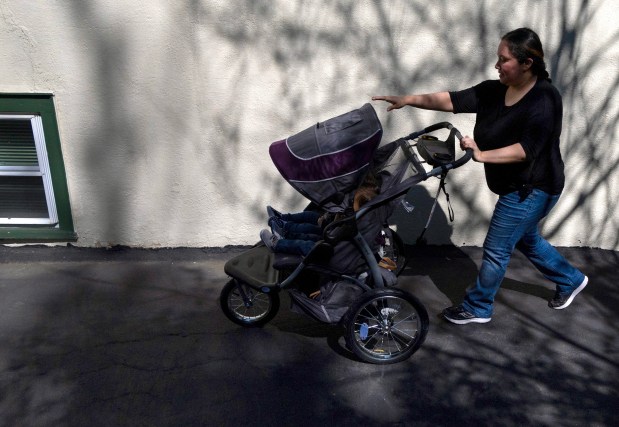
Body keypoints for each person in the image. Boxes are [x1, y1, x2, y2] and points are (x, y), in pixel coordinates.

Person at [373, 27, 588, 324]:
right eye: (497, 59)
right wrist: (409, 99)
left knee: (497, 249)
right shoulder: (494, 91)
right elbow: (452, 100)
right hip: (517, 186)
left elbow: (527, 149)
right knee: (526, 239)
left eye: (504, 60)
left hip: (532, 188)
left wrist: (482, 154)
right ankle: (571, 279)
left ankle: (478, 307)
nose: (496, 65)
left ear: (527, 63)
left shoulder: (545, 99)